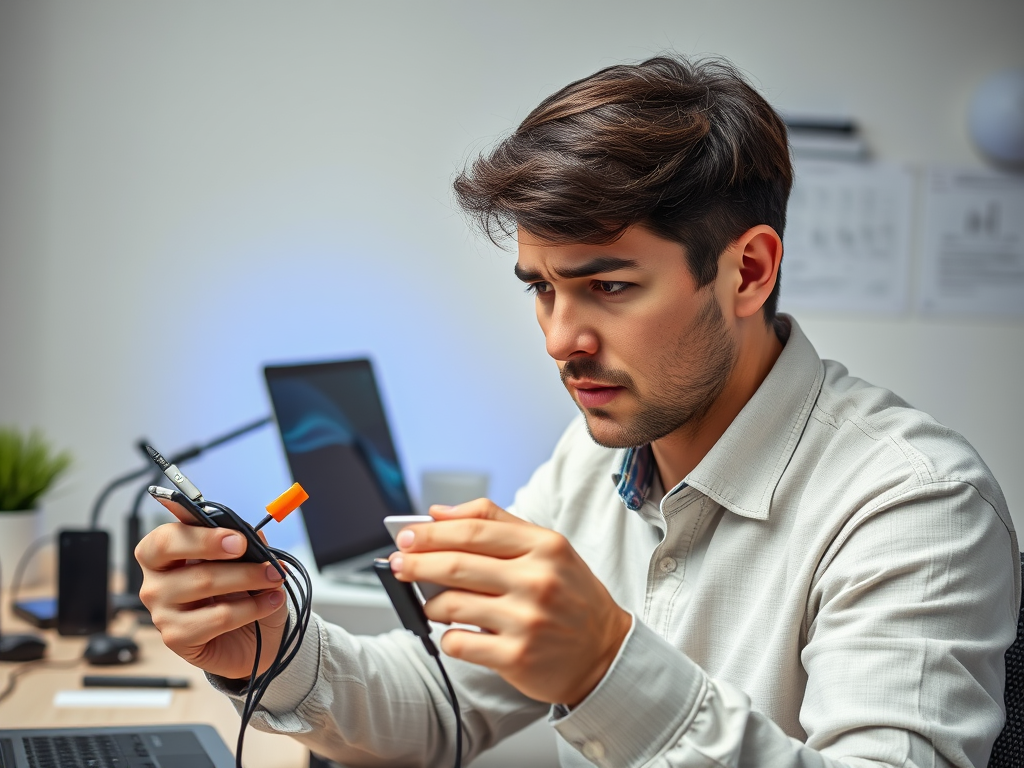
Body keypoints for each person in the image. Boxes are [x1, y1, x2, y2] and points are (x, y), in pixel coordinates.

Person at [135, 55, 1020, 768]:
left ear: (747, 271)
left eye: (607, 286)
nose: (562, 340)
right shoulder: (597, 457)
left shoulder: (915, 506)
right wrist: (269, 648)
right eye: (542, 290)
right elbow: (446, 707)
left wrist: (607, 668)